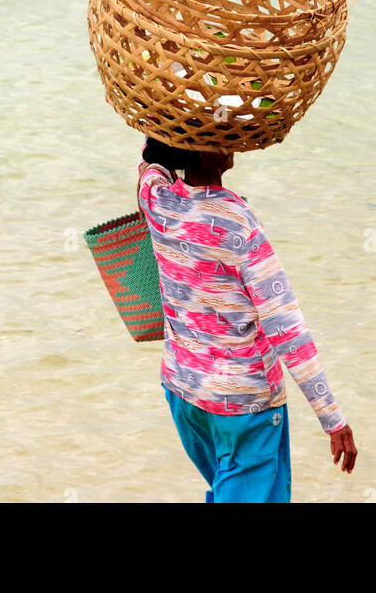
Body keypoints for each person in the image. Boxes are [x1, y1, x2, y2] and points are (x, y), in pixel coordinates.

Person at [137, 135, 357, 503]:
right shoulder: (238, 223)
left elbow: (148, 168)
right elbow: (285, 327)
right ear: (205, 153)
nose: (231, 141)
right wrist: (332, 418)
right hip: (244, 408)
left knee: (227, 490)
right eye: (219, 137)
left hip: (184, 393)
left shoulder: (158, 200)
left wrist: (166, 133)